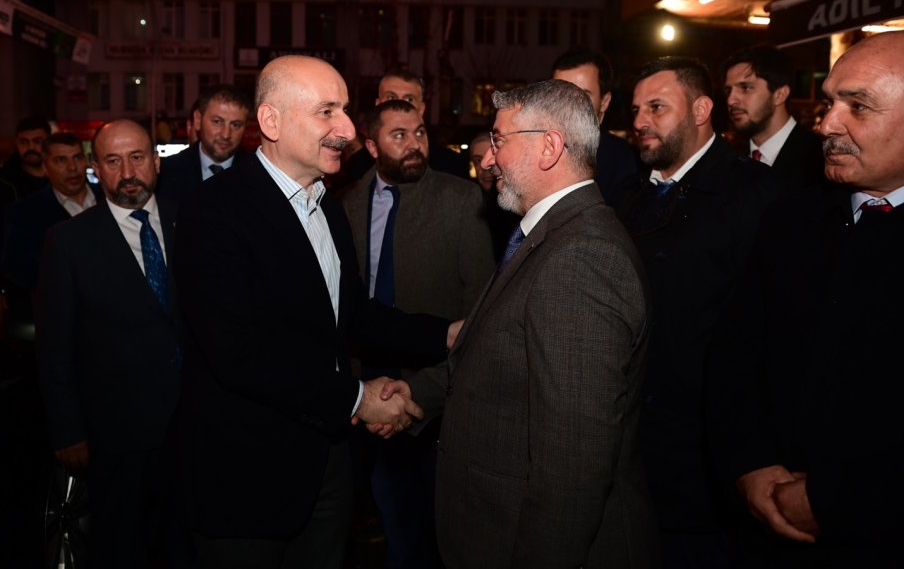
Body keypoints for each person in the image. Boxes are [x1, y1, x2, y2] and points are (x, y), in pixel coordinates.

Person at [168, 55, 452, 569]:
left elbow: (352, 314)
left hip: (327, 465)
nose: (347, 130)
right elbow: (237, 354)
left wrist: (446, 335)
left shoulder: (326, 204)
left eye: (343, 110)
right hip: (245, 478)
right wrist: (358, 398)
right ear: (271, 121)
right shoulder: (213, 211)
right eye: (327, 112)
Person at [401, 79, 656, 567]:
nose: (487, 159)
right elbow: (495, 358)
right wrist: (415, 395)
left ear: (549, 146)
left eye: (499, 140)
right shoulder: (547, 234)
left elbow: (573, 467)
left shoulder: (581, 256)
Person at [710, 31, 904, 567]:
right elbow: (734, 354)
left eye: (857, 106)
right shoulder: (789, 219)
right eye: (830, 103)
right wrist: (749, 467)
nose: (826, 124)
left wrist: (835, 500)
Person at [612, 57, 779, 567]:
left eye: (657, 107)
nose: (641, 121)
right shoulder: (625, 197)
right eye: (636, 109)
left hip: (709, 459)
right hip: (629, 447)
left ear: (702, 110)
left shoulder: (757, 194)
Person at [340, 98, 494, 568]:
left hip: (434, 393)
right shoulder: (345, 204)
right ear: (371, 146)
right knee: (387, 519)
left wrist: (436, 388)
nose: (414, 144)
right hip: (363, 388)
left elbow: (481, 313)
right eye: (399, 135)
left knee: (434, 531)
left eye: (420, 132)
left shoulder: (460, 200)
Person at [35, 120, 184, 569]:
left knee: (185, 544)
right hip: (115, 433)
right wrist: (67, 431)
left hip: (192, 424)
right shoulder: (68, 241)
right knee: (122, 547)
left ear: (156, 161)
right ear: (96, 170)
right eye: (113, 161)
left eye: (137, 157)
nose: (128, 172)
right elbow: (54, 344)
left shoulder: (192, 222)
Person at [0, 117, 51, 336]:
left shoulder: (63, 179)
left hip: (58, 279)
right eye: (24, 142)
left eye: (37, 141)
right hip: (17, 286)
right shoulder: (0, 185)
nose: (31, 147)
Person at [2, 132, 98, 300]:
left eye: (77, 158)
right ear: (45, 168)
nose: (72, 167)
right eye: (61, 160)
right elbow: (18, 266)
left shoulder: (110, 199)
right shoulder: (25, 212)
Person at [343, 67, 470, 184]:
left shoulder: (452, 166)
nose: (400, 105)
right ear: (378, 104)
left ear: (421, 109)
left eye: (409, 99)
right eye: (391, 97)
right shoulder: (357, 166)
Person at [722, 44, 824, 188]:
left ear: (780, 95)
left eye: (746, 88)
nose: (731, 100)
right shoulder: (728, 158)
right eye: (728, 91)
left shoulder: (821, 159)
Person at [551, 47, 639, 204]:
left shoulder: (625, 163)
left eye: (583, 95)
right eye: (561, 94)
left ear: (604, 102)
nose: (569, 104)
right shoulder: (531, 150)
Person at [157, 84, 250, 207]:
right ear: (197, 120)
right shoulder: (165, 172)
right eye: (217, 122)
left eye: (236, 125)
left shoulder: (257, 175)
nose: (226, 134)